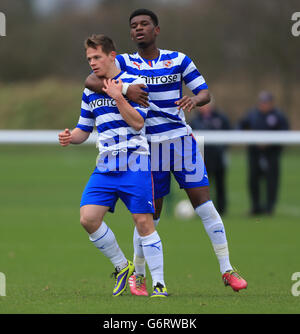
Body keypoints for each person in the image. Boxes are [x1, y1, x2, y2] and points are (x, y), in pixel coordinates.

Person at [85, 9, 247, 295]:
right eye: (133, 25)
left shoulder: (179, 59)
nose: (138, 29)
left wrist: (194, 100)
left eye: (144, 24)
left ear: (156, 29)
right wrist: (127, 90)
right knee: (149, 216)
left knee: (205, 205)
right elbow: (91, 81)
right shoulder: (123, 61)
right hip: (149, 149)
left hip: (181, 142)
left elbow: (205, 92)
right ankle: (140, 276)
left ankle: (227, 269)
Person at [59, 34, 168, 298]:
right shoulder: (89, 90)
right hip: (106, 165)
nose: (92, 63)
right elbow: (84, 129)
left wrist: (119, 96)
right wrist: (70, 137)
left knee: (143, 223)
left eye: (97, 57)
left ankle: (159, 284)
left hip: (135, 162)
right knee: (88, 218)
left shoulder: (135, 84)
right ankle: (122, 267)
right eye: (89, 59)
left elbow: (138, 123)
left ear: (112, 56)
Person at [237, 91, 289, 215]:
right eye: (262, 102)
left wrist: (270, 142)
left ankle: (270, 208)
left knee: (272, 180)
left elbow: (285, 131)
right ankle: (255, 207)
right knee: (253, 179)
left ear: (271, 103)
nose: (264, 105)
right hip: (254, 153)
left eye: (266, 103)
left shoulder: (278, 116)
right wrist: (248, 136)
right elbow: (240, 126)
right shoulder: (252, 114)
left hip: (271, 153)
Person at [189, 101, 231, 215]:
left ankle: (222, 210)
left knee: (220, 184)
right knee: (202, 186)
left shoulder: (220, 118)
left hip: (218, 156)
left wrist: (223, 148)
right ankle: (204, 211)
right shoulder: (195, 120)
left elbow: (229, 133)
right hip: (203, 157)